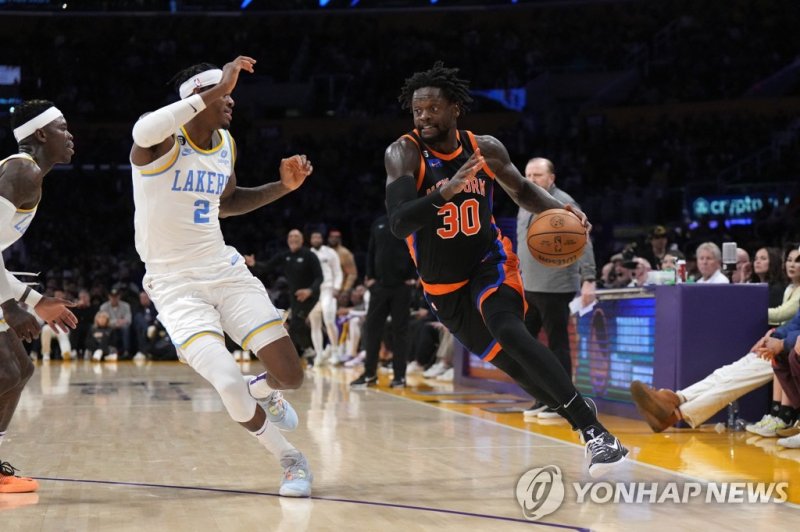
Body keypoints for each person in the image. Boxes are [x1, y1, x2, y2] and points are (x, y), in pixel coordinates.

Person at [383, 62, 627, 476]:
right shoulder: (402, 152)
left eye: (433, 109)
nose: (423, 117)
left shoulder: (485, 148)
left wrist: (561, 209)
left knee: (510, 330)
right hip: (443, 286)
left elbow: (522, 190)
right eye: (417, 111)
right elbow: (399, 222)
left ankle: (596, 433)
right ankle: (579, 413)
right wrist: (445, 192)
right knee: (514, 365)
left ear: (455, 108)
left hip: (490, 263)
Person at [130, 56, 313, 496]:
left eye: (230, 93)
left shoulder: (227, 143)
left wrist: (283, 188)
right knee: (228, 383)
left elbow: (226, 203)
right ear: (198, 96)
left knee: (291, 376)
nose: (231, 100)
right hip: (174, 285)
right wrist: (220, 83)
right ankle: (290, 458)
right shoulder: (160, 142)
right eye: (224, 93)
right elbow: (140, 132)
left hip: (223, 270)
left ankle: (263, 389)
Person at [0, 100, 78, 493]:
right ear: (42, 134)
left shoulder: (27, 174)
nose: (71, 135)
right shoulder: (22, 171)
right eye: (63, 128)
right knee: (7, 371)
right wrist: (11, 305)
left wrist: (34, 301)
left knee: (19, 369)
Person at [516, 157, 597, 419]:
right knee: (526, 346)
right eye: (528, 175)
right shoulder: (524, 201)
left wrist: (589, 278)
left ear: (551, 178)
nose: (531, 179)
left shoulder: (563, 202)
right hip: (529, 285)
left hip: (555, 286)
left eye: (537, 175)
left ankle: (563, 404)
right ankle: (544, 398)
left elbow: (583, 240)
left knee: (558, 346)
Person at [350, 214, 416, 389]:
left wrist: (413, 275)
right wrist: (370, 277)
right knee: (372, 330)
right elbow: (371, 251)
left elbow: (418, 249)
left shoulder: (410, 221)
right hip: (379, 286)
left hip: (402, 286)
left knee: (400, 332)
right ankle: (369, 374)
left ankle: (399, 376)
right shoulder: (378, 223)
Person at [252, 230, 323, 361]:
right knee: (293, 326)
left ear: (302, 240)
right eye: (290, 236)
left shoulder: (309, 255)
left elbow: (320, 277)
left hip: (310, 296)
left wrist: (309, 291)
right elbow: (266, 267)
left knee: (297, 323)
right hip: (295, 297)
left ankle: (309, 351)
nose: (293, 238)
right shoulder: (285, 256)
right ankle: (308, 352)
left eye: (296, 236)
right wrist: (254, 264)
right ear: (287, 240)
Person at [308, 230, 342, 366]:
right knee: (315, 324)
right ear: (310, 240)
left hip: (328, 290)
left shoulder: (330, 252)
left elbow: (337, 271)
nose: (316, 239)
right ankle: (319, 354)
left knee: (329, 321)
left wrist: (337, 287)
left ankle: (335, 351)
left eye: (318, 237)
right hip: (313, 293)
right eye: (314, 237)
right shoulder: (308, 254)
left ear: (322, 239)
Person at [99, 287, 131, 360]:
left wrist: (114, 322)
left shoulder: (126, 305)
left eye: (116, 296)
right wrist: (117, 321)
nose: (114, 298)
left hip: (122, 327)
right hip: (109, 327)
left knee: (126, 328)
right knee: (107, 329)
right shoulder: (103, 307)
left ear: (119, 296)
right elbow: (103, 321)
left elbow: (128, 320)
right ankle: (108, 352)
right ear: (109, 297)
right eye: (112, 296)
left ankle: (126, 351)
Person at [327, 229, 358, 295]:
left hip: (339, 289)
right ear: (328, 238)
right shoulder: (324, 252)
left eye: (336, 237)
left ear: (340, 239)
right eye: (332, 237)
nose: (333, 239)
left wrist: (345, 290)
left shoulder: (345, 253)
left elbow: (352, 274)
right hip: (325, 287)